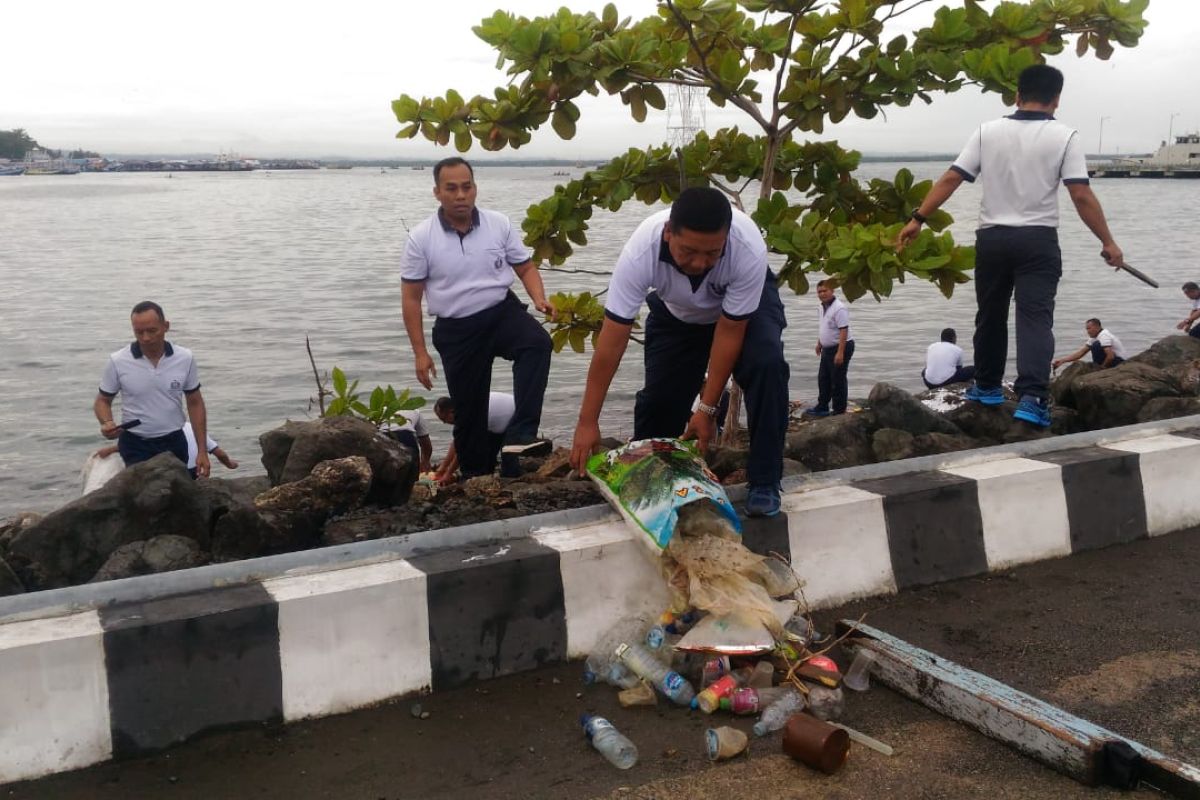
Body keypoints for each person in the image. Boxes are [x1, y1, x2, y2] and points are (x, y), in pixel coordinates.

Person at [897, 64, 1124, 428]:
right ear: (1056, 99)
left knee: (990, 315)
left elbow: (953, 177)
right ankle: (1033, 397)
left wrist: (917, 219)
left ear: (1017, 95)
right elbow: (1080, 194)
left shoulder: (987, 132)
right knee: (1034, 319)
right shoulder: (1065, 137)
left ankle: (987, 385)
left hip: (993, 238)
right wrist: (1108, 241)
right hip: (1038, 239)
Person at [568, 187, 790, 517]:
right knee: (659, 403)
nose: (700, 262)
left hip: (743, 314)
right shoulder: (640, 251)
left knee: (767, 365)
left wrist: (707, 409)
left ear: (727, 238)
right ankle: (657, 485)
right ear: (668, 232)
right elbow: (612, 340)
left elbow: (729, 333)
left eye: (712, 254)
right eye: (688, 251)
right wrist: (588, 421)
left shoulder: (747, 249)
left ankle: (765, 480)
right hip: (677, 313)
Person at [401, 157, 553, 480]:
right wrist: (420, 351)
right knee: (469, 417)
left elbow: (524, 266)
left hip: (500, 311)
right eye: (451, 188)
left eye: (466, 187)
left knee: (537, 343)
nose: (460, 195)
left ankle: (521, 433)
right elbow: (411, 298)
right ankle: (477, 478)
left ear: (475, 189)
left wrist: (538, 297)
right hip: (457, 330)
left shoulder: (499, 223)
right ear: (437, 193)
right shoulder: (421, 237)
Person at [94, 301, 211, 477]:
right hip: (135, 443)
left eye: (152, 330)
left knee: (178, 495)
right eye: (139, 332)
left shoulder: (184, 358)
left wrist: (202, 450)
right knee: (144, 498)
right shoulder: (118, 361)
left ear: (166, 326)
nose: (146, 337)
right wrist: (106, 422)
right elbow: (102, 400)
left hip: (174, 440)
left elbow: (195, 403)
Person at [430, 392, 526, 483]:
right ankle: (490, 475)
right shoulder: (463, 409)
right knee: (486, 461)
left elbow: (463, 450)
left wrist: (448, 473)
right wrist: (442, 468)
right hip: (496, 422)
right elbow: (457, 443)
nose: (444, 423)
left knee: (509, 460)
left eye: (444, 419)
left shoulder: (468, 415)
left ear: (451, 412)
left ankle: (515, 482)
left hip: (517, 415)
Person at [806, 280, 854, 416]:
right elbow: (824, 326)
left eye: (824, 291)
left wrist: (840, 353)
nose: (822, 294)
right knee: (823, 378)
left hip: (841, 346)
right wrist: (819, 343)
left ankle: (839, 410)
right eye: (819, 292)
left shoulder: (839, 308)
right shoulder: (822, 307)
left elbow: (843, 330)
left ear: (832, 291)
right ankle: (822, 406)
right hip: (827, 348)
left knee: (837, 378)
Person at [1052, 318, 1127, 369]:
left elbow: (1110, 356)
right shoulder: (1094, 338)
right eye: (1086, 329)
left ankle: (1101, 368)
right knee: (1095, 345)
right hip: (1113, 360)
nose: (1087, 331)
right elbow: (1081, 353)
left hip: (1120, 362)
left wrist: (1101, 368)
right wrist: (1062, 361)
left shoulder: (1104, 335)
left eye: (1089, 328)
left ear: (1097, 327)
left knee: (1096, 345)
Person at [382, 409, 433, 474]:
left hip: (384, 435)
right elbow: (425, 442)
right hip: (407, 436)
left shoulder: (377, 411)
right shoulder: (415, 410)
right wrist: (425, 462)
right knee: (410, 474)